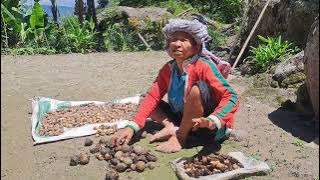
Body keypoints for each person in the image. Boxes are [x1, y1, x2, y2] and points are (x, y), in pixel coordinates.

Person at [113, 19, 239, 153]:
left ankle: (180, 136)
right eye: (173, 40)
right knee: (146, 98)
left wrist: (213, 119)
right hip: (182, 118)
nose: (177, 44)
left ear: (196, 47)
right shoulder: (168, 69)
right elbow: (152, 96)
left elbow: (231, 97)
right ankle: (171, 126)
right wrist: (132, 127)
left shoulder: (204, 66)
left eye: (184, 40)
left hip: (204, 126)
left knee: (196, 90)